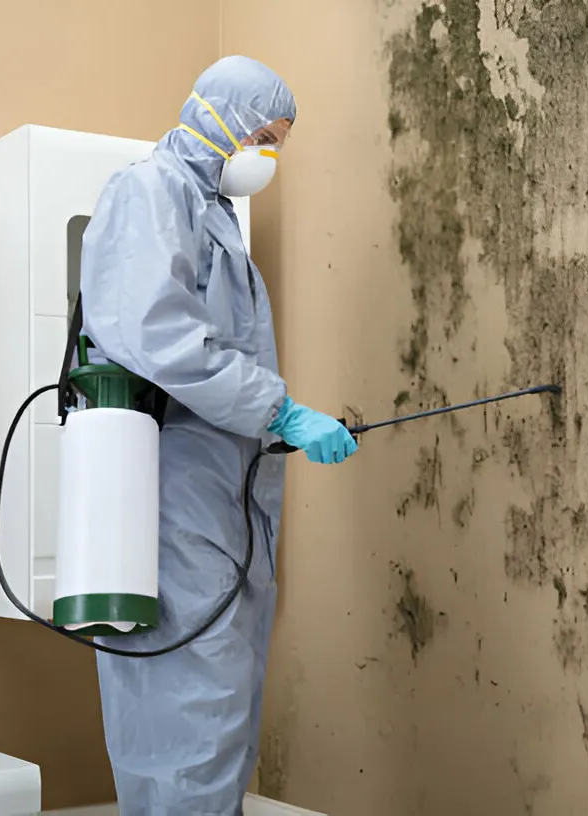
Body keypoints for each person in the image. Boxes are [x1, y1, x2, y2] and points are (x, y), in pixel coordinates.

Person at [78, 55, 358, 815]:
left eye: (279, 143)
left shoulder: (209, 213)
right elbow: (156, 334)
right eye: (263, 136)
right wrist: (280, 411)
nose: (268, 156)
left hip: (217, 500)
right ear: (217, 116)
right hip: (173, 500)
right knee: (189, 707)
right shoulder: (151, 191)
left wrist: (273, 428)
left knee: (222, 701)